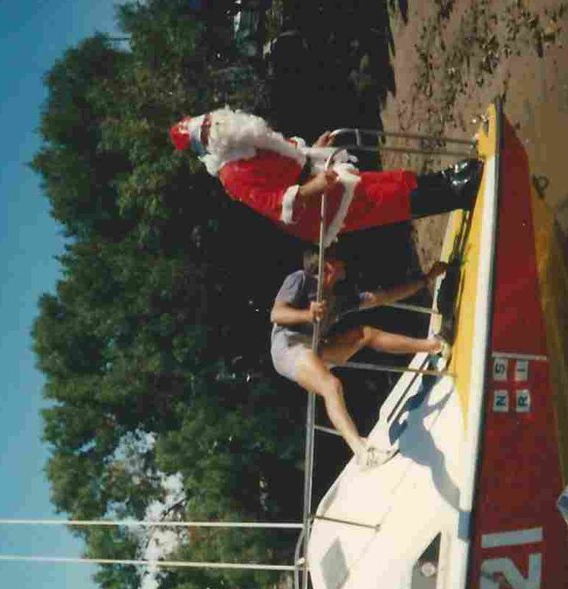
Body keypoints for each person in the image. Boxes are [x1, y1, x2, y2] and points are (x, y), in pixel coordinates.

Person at [169, 107, 482, 245]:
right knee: (389, 200)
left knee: (392, 183)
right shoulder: (231, 175)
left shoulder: (245, 140)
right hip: (318, 207)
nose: (216, 125)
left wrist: (313, 150)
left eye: (210, 120)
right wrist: (313, 186)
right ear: (207, 145)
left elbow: (288, 152)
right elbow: (275, 204)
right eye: (208, 129)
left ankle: (449, 181)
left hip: (322, 175)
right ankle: (457, 193)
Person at [270, 248, 447, 469]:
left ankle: (433, 345)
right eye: (339, 260)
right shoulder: (300, 279)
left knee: (365, 334)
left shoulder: (339, 299)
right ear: (328, 266)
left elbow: (384, 297)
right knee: (331, 385)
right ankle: (363, 454)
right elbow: (276, 314)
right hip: (289, 347)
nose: (345, 263)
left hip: (316, 347)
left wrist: (426, 279)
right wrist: (307, 314)